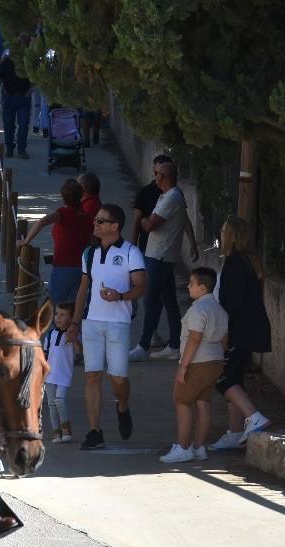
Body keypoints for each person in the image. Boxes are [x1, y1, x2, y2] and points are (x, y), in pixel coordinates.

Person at [69, 203, 146, 451]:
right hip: (91, 322)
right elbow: (83, 288)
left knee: (118, 379)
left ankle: (122, 407)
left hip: (118, 323)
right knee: (92, 376)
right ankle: (95, 431)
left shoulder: (131, 252)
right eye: (96, 220)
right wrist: (74, 323)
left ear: (115, 226)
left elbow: (141, 287)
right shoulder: (88, 253)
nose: (95, 223)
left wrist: (121, 296)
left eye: (101, 221)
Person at [210, 215, 272, 451]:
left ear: (232, 235)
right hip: (250, 329)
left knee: (222, 377)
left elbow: (231, 304)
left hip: (239, 331)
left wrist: (223, 333)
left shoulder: (235, 263)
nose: (221, 234)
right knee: (235, 379)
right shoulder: (248, 261)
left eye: (224, 231)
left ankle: (253, 416)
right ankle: (235, 432)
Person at [131, 160, 199, 361]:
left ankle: (143, 346)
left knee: (151, 300)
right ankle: (175, 345)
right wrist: (193, 242)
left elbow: (150, 224)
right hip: (161, 255)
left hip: (159, 256)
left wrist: (143, 221)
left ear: (163, 177)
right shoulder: (170, 196)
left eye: (157, 173)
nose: (155, 176)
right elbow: (184, 219)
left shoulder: (172, 198)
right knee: (169, 300)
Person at [160, 267, 228, 463]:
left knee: (182, 401)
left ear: (203, 287)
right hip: (215, 361)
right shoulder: (219, 309)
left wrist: (183, 366)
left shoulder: (198, 309)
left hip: (198, 362)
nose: (188, 286)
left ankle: (182, 447)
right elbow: (225, 339)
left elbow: (194, 338)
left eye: (191, 283)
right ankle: (199, 447)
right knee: (203, 403)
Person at [16, 178, 91, 304]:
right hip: (81, 268)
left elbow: (41, 221)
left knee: (54, 306)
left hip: (63, 266)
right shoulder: (86, 216)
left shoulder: (62, 213)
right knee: (72, 306)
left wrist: (26, 241)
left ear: (63, 197)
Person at [42, 301, 75, 443]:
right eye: (57, 314)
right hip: (49, 375)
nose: (58, 318)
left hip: (64, 375)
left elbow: (80, 352)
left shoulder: (73, 335)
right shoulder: (49, 335)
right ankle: (56, 431)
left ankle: (66, 427)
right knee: (51, 404)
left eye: (63, 315)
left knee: (59, 400)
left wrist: (73, 339)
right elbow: (44, 355)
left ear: (71, 318)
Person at [0, 46, 31, 158]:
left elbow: (35, 78)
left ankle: (21, 149)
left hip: (23, 97)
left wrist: (30, 91)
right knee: (8, 124)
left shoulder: (28, 62)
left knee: (24, 124)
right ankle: (9, 148)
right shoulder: (6, 62)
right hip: (9, 96)